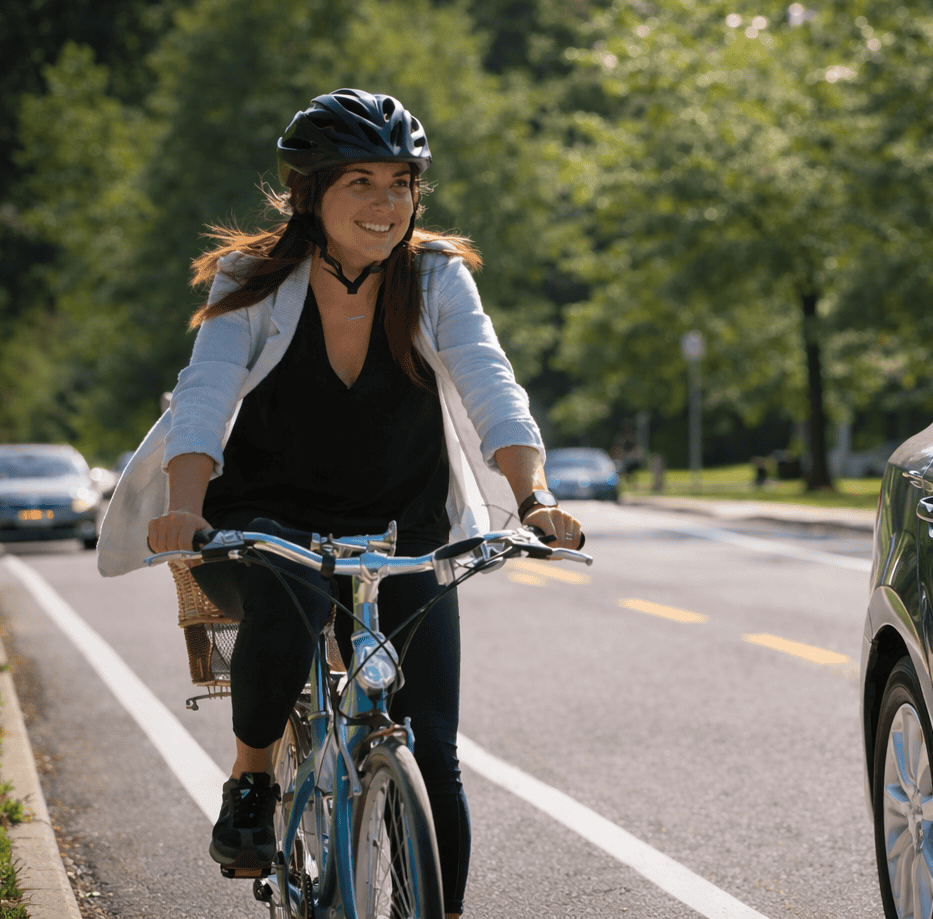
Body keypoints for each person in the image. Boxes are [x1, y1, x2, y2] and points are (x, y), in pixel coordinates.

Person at [97, 89, 583, 919]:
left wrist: (532, 497)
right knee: (293, 604)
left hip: (404, 526)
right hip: (263, 525)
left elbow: (489, 384)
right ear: (309, 193)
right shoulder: (252, 279)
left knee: (434, 748)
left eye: (401, 183)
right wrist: (183, 506)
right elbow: (204, 396)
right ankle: (253, 781)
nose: (386, 204)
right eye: (361, 182)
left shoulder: (435, 278)